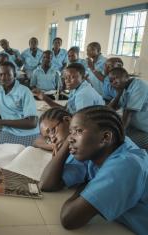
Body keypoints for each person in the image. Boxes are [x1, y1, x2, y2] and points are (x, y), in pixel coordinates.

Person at [40, 105, 148, 235]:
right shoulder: (96, 150)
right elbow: (47, 185)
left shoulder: (126, 164)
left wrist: (87, 185)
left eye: (78, 131)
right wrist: (65, 146)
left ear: (105, 137)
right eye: (71, 132)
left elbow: (70, 219)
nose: (70, 138)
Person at [0, 61, 39, 146]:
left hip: (26, 133)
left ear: (14, 75)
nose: (3, 78)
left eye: (8, 74)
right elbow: (3, 110)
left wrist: (1, 122)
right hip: (8, 130)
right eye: (0, 74)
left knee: (19, 158)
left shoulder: (24, 91)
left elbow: (32, 123)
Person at [33, 63, 104, 114]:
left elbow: (81, 122)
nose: (67, 81)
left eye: (72, 77)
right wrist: (44, 97)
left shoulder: (83, 95)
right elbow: (66, 110)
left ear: (83, 77)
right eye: (66, 77)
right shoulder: (76, 88)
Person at [108, 67, 148, 152]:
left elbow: (128, 112)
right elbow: (109, 109)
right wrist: (119, 93)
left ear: (126, 76)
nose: (114, 82)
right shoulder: (124, 89)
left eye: (116, 78)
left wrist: (119, 136)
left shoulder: (139, 85)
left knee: (122, 145)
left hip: (145, 131)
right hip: (134, 127)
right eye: (111, 81)